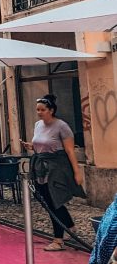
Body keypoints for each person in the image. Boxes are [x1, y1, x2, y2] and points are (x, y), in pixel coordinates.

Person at [24, 94, 84, 251]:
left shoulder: (62, 126)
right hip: (40, 167)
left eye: (42, 110)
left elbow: (70, 151)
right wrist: (31, 146)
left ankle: (58, 240)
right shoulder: (38, 124)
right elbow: (41, 144)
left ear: (51, 110)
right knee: (47, 202)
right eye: (38, 110)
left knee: (55, 202)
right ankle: (70, 227)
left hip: (56, 168)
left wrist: (76, 172)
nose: (39, 112)